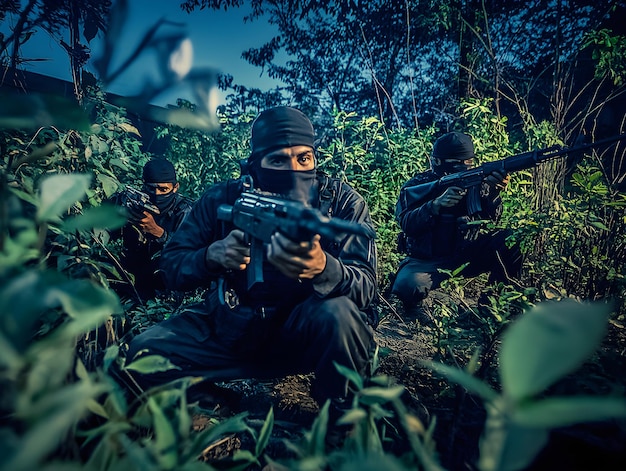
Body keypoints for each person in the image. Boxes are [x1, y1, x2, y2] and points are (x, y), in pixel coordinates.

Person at [120, 106, 378, 420]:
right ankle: (216, 401)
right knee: (144, 351)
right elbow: (172, 265)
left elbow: (366, 287)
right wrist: (210, 256)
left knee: (342, 315)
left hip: (303, 333)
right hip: (233, 329)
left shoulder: (341, 202)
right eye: (278, 159)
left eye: (303, 158)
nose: (293, 169)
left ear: (315, 158)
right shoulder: (221, 198)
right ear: (256, 163)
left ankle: (340, 423)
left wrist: (324, 268)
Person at [391, 132, 522, 321]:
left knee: (511, 240)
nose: (463, 168)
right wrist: (434, 205)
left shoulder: (477, 182)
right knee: (407, 285)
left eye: (468, 163)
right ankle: (415, 309)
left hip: (468, 253)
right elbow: (407, 224)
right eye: (455, 163)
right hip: (429, 260)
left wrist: (493, 193)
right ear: (436, 161)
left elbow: (492, 219)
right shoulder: (418, 184)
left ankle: (490, 309)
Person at [109, 158, 194, 304]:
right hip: (126, 279)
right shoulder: (130, 200)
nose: (156, 194)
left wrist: (158, 233)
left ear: (175, 187)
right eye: (150, 188)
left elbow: (187, 257)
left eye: (163, 189)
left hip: (164, 290)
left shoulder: (185, 212)